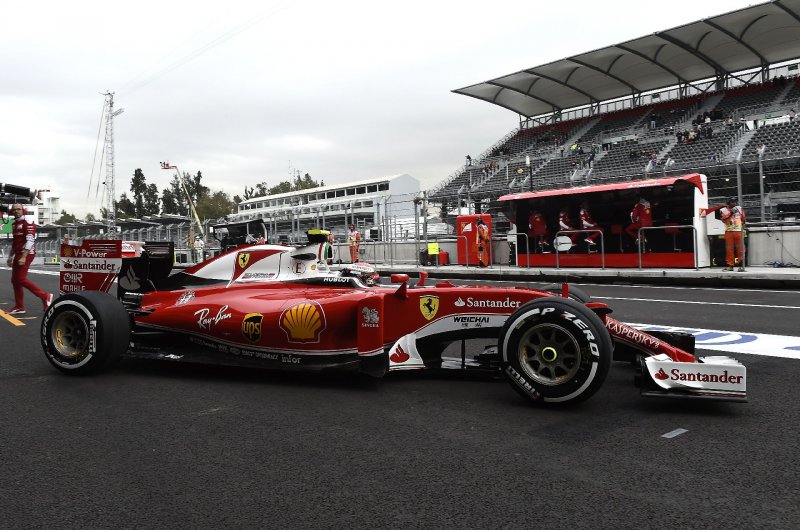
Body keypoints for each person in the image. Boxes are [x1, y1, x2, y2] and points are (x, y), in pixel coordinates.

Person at [6, 204, 51, 315]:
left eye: (18, 209)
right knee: (15, 281)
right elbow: (15, 242)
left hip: (26, 253)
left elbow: (30, 240)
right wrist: (10, 257)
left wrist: (24, 256)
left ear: (24, 210)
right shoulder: (14, 224)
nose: (16, 211)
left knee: (20, 279)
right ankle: (19, 307)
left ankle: (45, 296)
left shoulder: (28, 221)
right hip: (18, 254)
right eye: (14, 210)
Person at [719, 197, 746, 272]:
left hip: (738, 231)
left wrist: (743, 223)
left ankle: (741, 266)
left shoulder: (739, 209)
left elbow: (743, 218)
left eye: (735, 202)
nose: (734, 203)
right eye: (732, 202)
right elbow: (724, 220)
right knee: (729, 249)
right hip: (729, 232)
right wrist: (731, 213)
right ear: (728, 203)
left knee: (740, 249)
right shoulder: (723, 210)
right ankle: (730, 266)